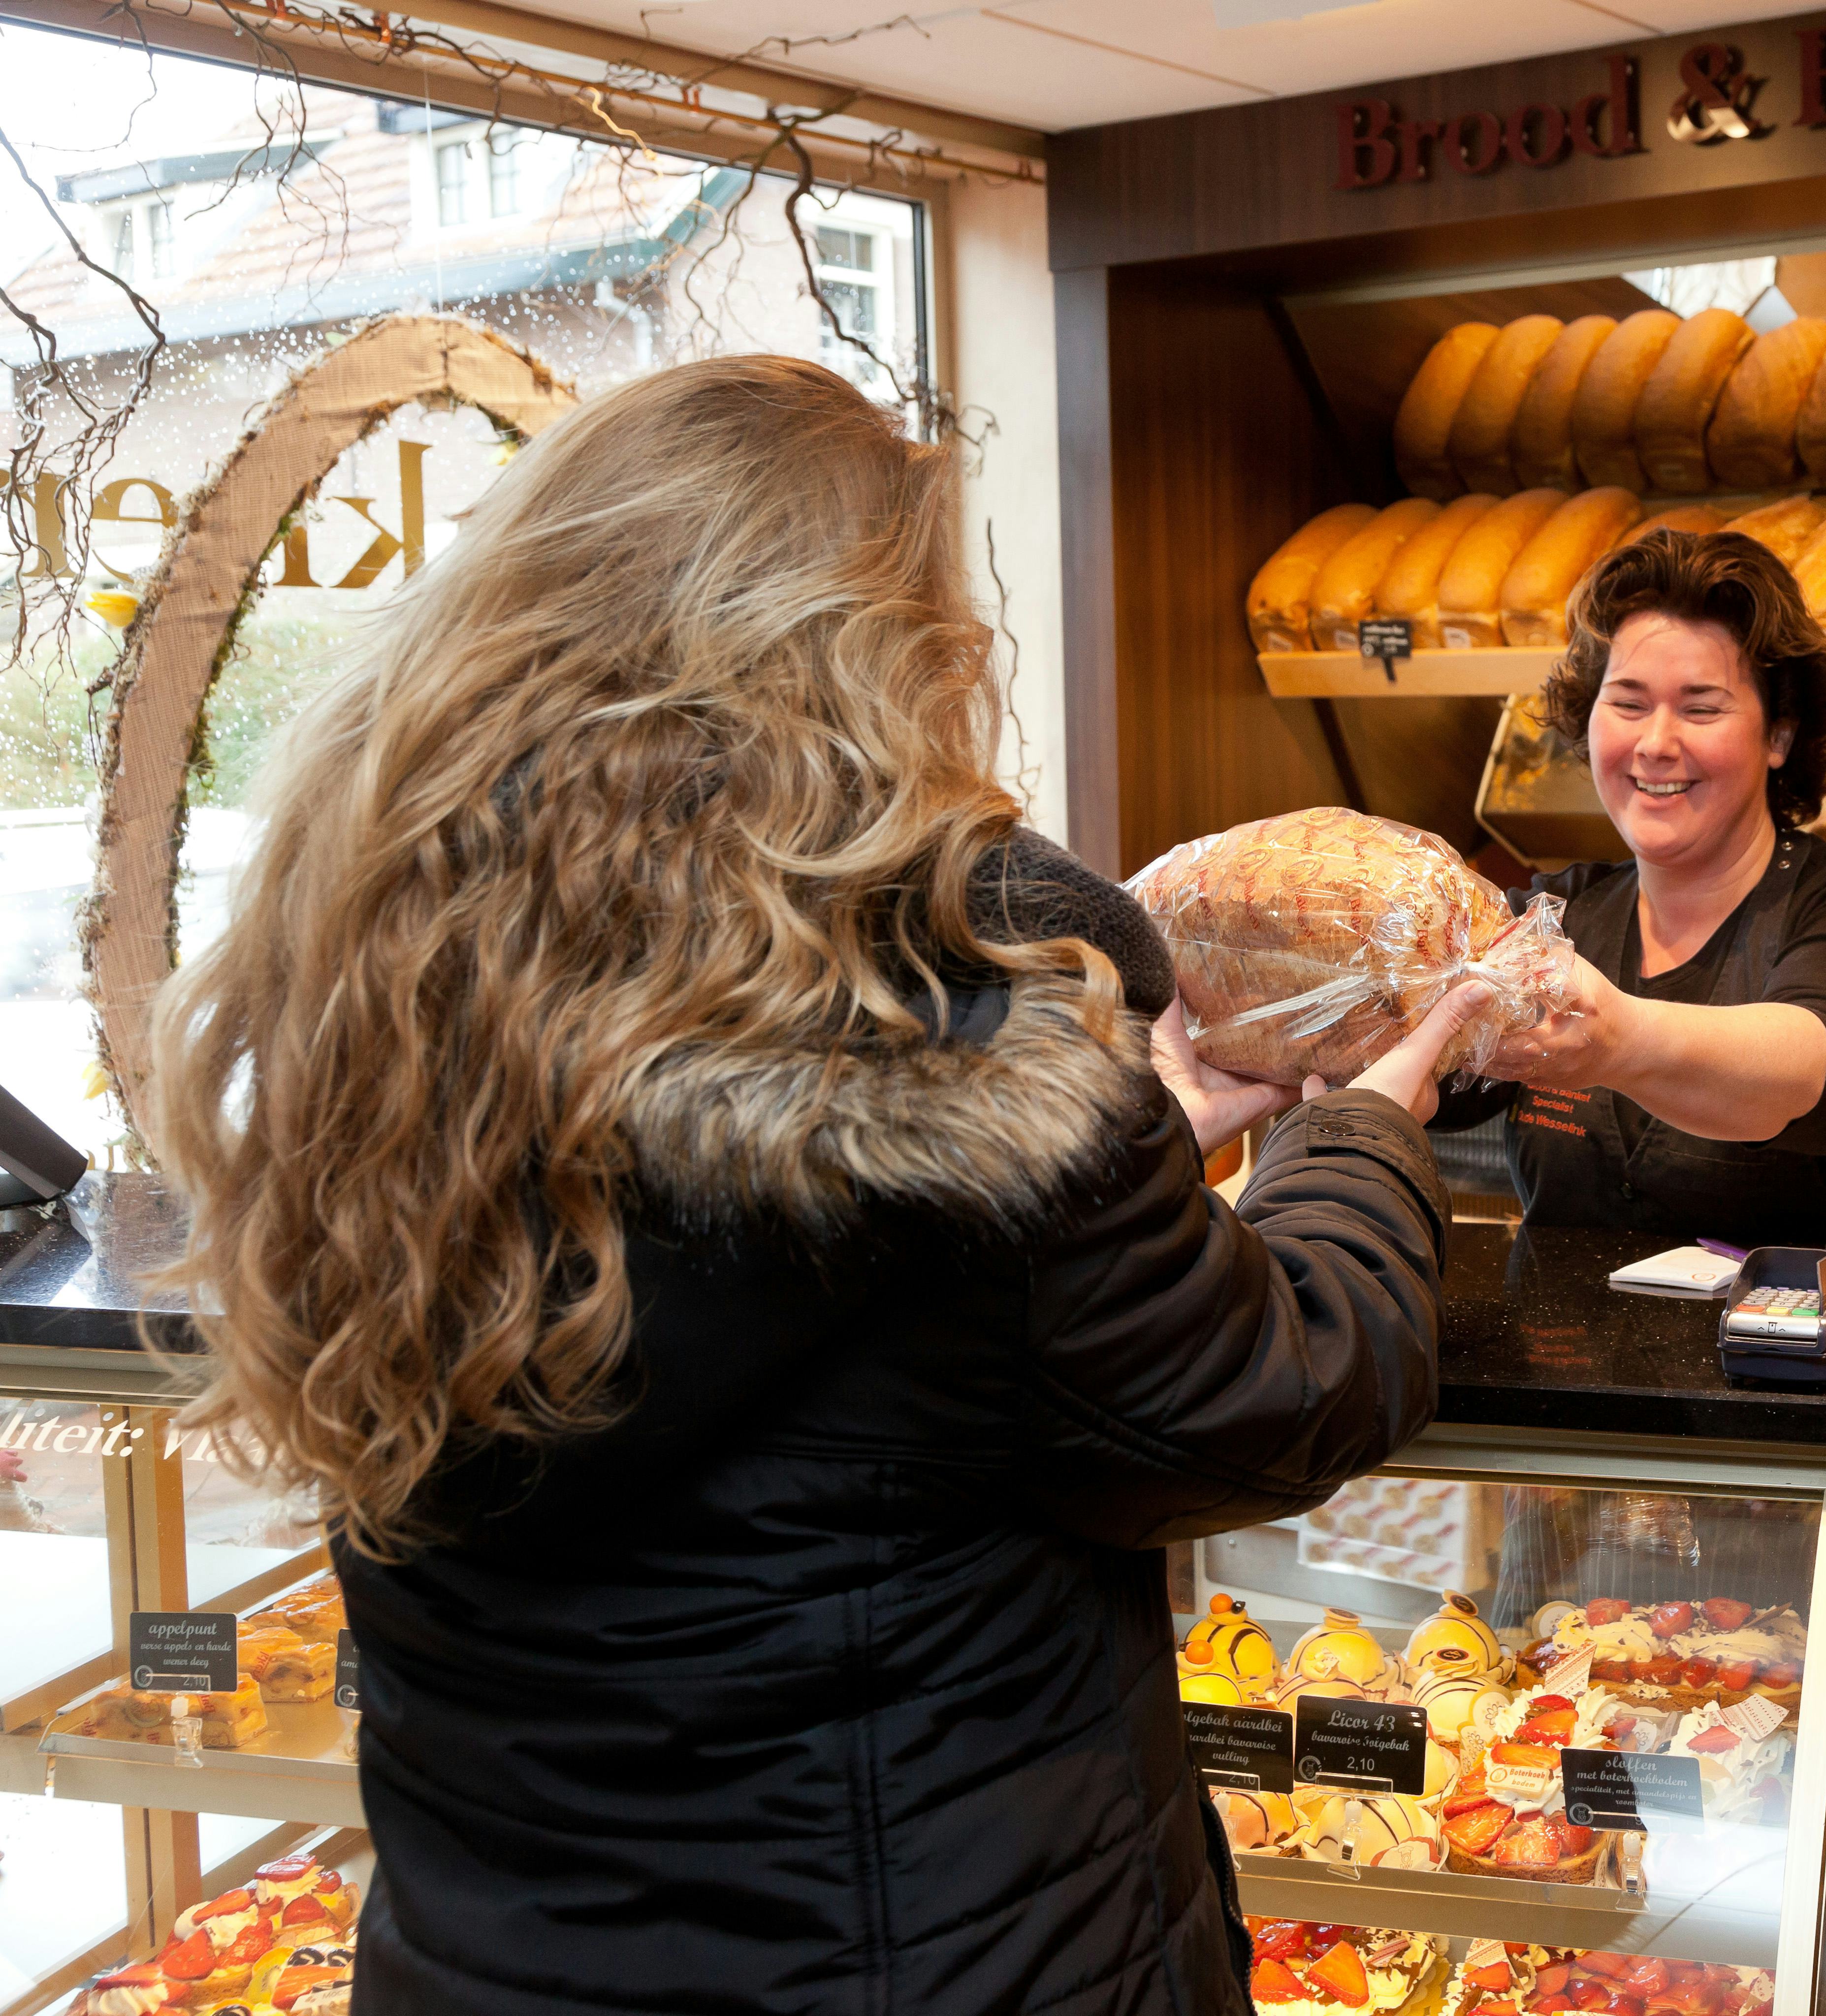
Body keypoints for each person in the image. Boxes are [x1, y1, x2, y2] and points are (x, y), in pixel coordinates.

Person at [143, 355, 1475, 2015]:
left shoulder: (383, 1016)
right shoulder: (973, 1047)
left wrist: (1130, 1145)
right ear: (870, 661)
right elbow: (1286, 1389)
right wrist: (1361, 1132)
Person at [1441, 529, 1826, 1247]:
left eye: (1701, 708)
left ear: (1779, 736)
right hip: (1559, 1359)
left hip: (1803, 1361)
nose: (1655, 743)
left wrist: (1613, 1039)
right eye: (1629, 703)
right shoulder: (1560, 917)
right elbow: (1430, 1082)